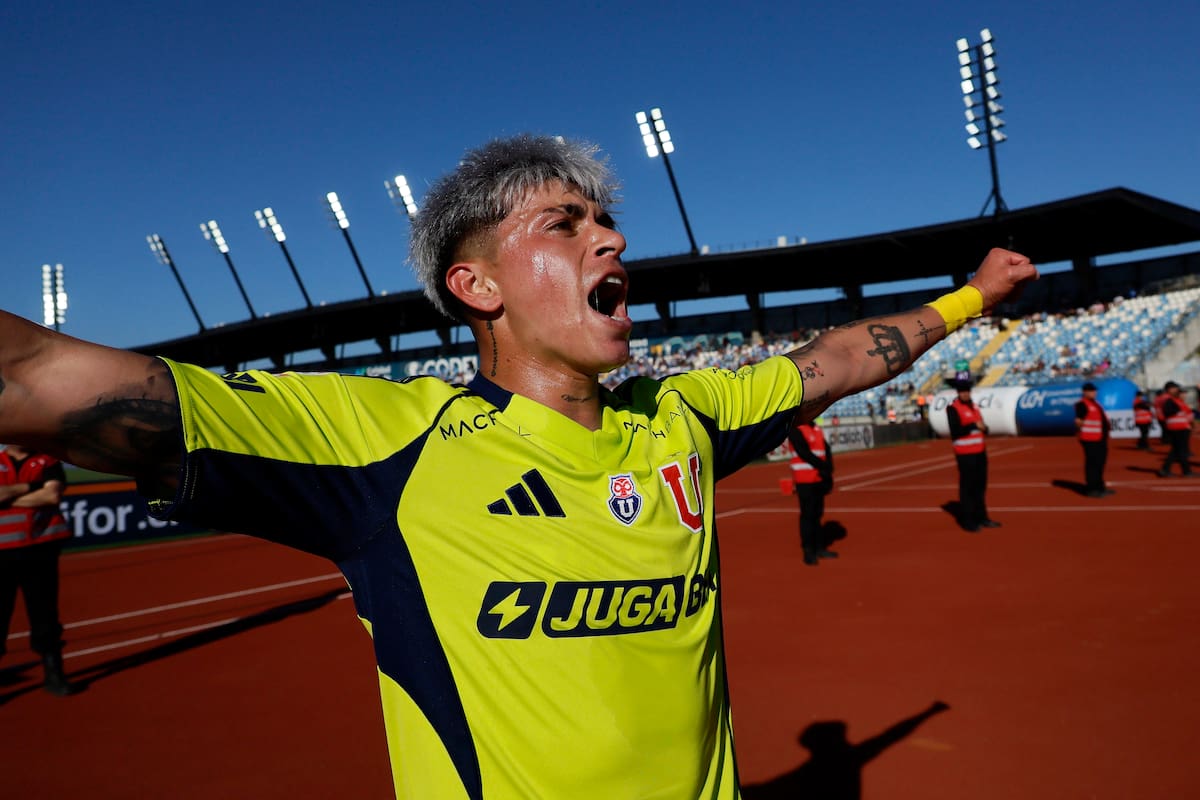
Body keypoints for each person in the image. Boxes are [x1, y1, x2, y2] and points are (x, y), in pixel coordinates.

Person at [0, 134, 1037, 799]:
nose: (611, 236)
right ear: (476, 284)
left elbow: (834, 362)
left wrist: (973, 298)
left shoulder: (679, 410)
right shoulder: (380, 437)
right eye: (565, 222)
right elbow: (41, 373)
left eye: (606, 219)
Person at [0, 444, 81, 696]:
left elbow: (51, 496)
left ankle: (54, 671)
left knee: (44, 613)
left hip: (40, 548)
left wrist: (11, 493)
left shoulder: (48, 460)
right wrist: (35, 488)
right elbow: (43, 493)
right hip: (2, 553)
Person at [945, 379, 999, 532]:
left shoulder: (974, 406)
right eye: (962, 391)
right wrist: (974, 426)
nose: (965, 394)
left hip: (980, 452)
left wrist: (984, 428)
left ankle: (982, 517)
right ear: (958, 393)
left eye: (967, 391)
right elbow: (955, 431)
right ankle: (968, 520)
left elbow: (983, 427)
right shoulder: (952, 408)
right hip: (965, 454)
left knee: (980, 487)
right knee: (967, 488)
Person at [787, 418, 836, 565]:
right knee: (808, 516)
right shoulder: (797, 429)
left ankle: (819, 547)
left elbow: (826, 449)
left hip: (818, 479)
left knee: (817, 514)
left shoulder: (817, 429)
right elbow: (803, 452)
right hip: (805, 480)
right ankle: (808, 551)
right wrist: (824, 466)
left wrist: (828, 469)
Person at [1074, 382, 1113, 497]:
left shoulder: (1095, 404)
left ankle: (1100, 486)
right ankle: (1091, 489)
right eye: (1091, 391)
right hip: (1089, 438)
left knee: (1100, 463)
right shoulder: (1082, 404)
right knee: (1092, 464)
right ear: (1085, 392)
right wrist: (1081, 431)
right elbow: (1078, 421)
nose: (1094, 393)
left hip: (1099, 438)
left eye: (1095, 391)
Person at [1157, 381, 1195, 477]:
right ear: (1169, 389)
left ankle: (1166, 469)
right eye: (1175, 388)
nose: (1182, 394)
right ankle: (1186, 471)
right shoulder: (1169, 399)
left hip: (1180, 427)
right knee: (1181, 450)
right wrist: (1178, 412)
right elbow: (1168, 411)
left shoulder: (1177, 401)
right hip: (1178, 427)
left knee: (1176, 450)